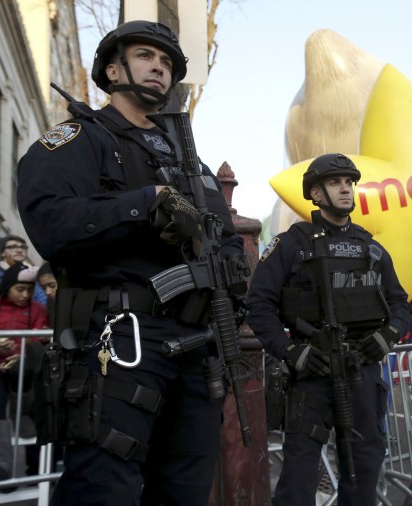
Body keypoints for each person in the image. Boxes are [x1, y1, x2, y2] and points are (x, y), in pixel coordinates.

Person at [16, 20, 245, 505]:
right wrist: (143, 205)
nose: (158, 66)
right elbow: (50, 223)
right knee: (105, 488)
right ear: (114, 70)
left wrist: (228, 270)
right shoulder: (81, 137)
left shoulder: (191, 163)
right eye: (145, 56)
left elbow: (224, 236)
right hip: (121, 338)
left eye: (165, 62)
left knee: (185, 487)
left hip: (196, 345)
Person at [245, 153, 409, 506]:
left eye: (349, 183)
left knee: (364, 470)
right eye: (335, 183)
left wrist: (387, 335)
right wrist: (290, 351)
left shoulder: (372, 247)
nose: (346, 189)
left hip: (362, 371)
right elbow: (257, 305)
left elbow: (399, 303)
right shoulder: (291, 244)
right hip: (312, 374)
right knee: (299, 480)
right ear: (316, 194)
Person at [0, 263, 48, 483]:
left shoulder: (39, 309)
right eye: (20, 289)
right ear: (8, 287)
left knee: (28, 382)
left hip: (25, 367)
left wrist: (19, 353)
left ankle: (36, 469)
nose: (25, 294)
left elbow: (39, 339)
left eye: (29, 289)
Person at [0, 235, 47, 306]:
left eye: (23, 247)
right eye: (13, 247)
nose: (19, 250)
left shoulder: (32, 276)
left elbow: (43, 302)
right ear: (2, 253)